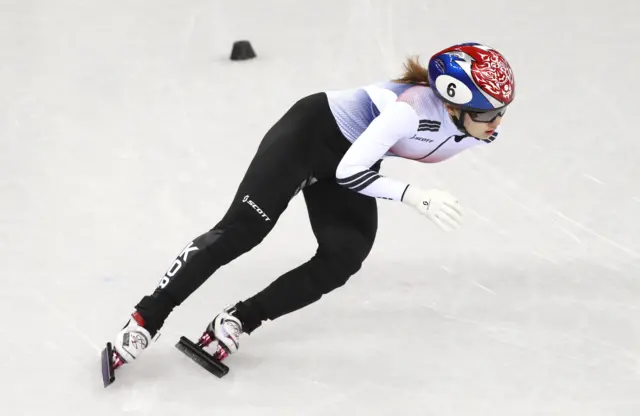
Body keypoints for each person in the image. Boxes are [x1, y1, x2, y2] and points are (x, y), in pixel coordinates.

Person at [105, 42, 516, 376]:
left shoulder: (474, 130)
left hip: (353, 154)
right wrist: (414, 195)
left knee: (344, 255)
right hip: (309, 137)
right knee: (243, 230)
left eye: (501, 111)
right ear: (451, 105)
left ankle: (238, 321)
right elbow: (350, 171)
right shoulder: (411, 111)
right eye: (488, 113)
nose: (497, 122)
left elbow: (354, 166)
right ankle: (146, 319)